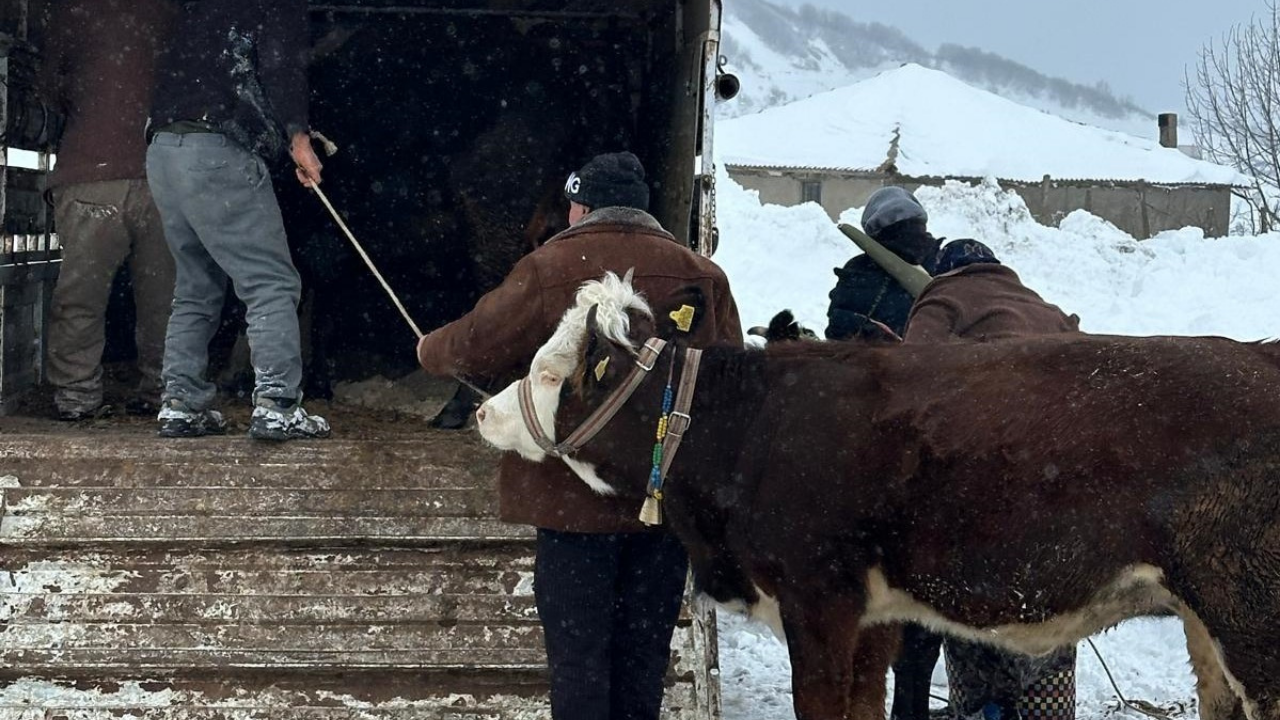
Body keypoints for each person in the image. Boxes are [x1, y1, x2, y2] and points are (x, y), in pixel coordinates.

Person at [417, 151, 743, 720]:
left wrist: (430, 349)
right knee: (643, 659)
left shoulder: (550, 267)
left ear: (580, 206)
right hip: (661, 507)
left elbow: (479, 342)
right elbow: (730, 380)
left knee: (579, 663)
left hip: (570, 508)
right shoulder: (701, 275)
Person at [826, 186, 1078, 720]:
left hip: (932, 477)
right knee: (1025, 615)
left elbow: (901, 376)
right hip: (1042, 486)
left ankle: (946, 705)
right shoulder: (1039, 306)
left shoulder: (913, 291)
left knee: (929, 604)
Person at [146, 0, 329, 441]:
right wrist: (298, 138)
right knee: (270, 281)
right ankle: (278, 404)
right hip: (216, 149)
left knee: (195, 284)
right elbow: (283, 66)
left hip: (164, 149)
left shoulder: (195, 9)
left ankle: (181, 403)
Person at [37, 0, 177, 421]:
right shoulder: (171, 13)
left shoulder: (73, 11)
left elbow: (50, 88)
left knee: (81, 294)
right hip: (162, 175)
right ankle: (166, 392)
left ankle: (77, 395)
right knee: (167, 299)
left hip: (89, 173)